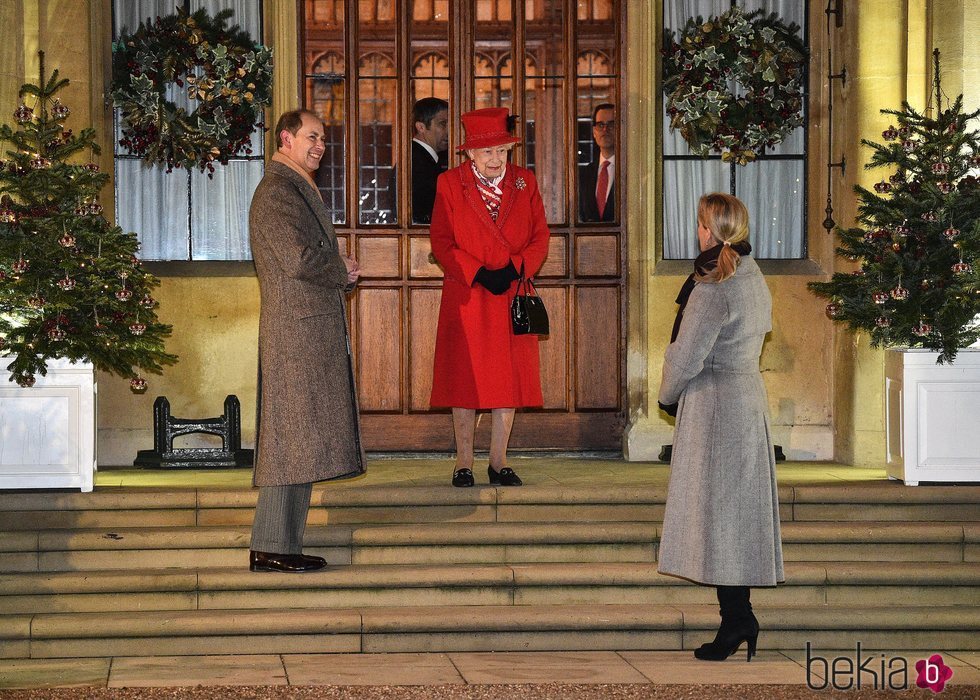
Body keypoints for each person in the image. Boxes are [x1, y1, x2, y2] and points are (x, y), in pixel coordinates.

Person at [657, 193, 783, 661]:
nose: (697, 231)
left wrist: (666, 394)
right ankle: (738, 617)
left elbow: (687, 355)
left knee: (721, 515)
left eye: (699, 224)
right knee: (733, 513)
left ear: (708, 230)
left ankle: (737, 620)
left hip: (715, 406)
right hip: (746, 398)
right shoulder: (751, 275)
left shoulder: (713, 287)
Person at [247, 108, 366, 573]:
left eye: (322, 138)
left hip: (304, 328)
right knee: (290, 439)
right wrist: (340, 268)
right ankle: (272, 546)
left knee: (300, 438)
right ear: (286, 139)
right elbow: (297, 259)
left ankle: (283, 544)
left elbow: (303, 258)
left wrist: (340, 271)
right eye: (312, 137)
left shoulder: (293, 186)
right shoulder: (278, 190)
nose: (319, 145)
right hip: (295, 333)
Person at [429, 107, 550, 488]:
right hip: (467, 295)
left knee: (507, 382)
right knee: (464, 380)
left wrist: (515, 269)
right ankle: (463, 462)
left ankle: (498, 461)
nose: (496, 159)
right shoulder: (449, 184)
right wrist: (478, 272)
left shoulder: (524, 182)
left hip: (510, 294)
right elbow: (442, 243)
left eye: (502, 151)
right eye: (487, 153)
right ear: (469, 154)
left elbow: (541, 238)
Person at [411, 97, 450, 224]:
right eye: (442, 124)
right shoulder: (417, 162)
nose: (449, 131)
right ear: (421, 127)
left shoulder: (419, 157)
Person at [579, 103, 616, 223]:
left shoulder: (631, 171)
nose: (605, 129)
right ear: (594, 132)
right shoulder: (583, 175)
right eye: (600, 125)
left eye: (611, 124)